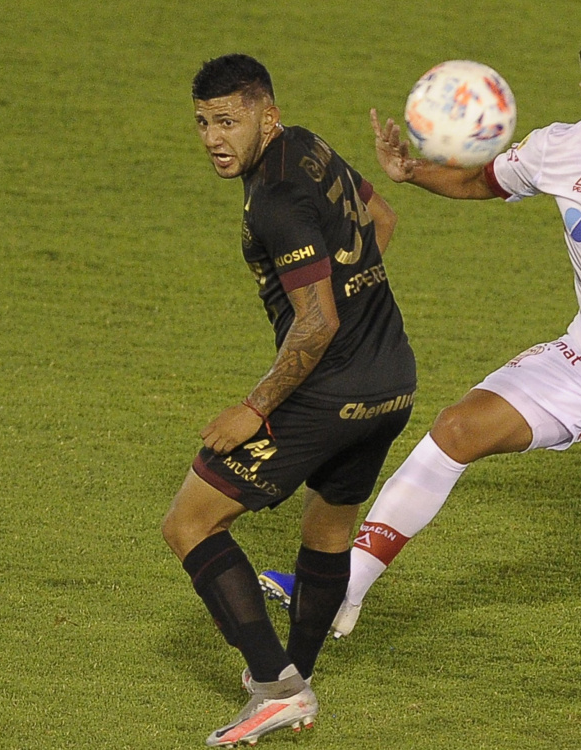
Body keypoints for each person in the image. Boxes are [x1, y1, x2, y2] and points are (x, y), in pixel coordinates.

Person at [274, 21, 581, 734]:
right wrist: (413, 171)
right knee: (455, 430)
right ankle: (344, 587)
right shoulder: (558, 148)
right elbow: (485, 181)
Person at [160, 53, 417, 747]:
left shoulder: (274, 200)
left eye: (229, 121)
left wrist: (255, 406)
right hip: (392, 381)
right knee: (328, 534)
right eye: (203, 123)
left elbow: (318, 322)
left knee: (190, 525)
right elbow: (380, 221)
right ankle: (294, 675)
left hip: (326, 392)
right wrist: (364, 323)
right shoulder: (308, 145)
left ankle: (276, 689)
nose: (214, 137)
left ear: (264, 115)